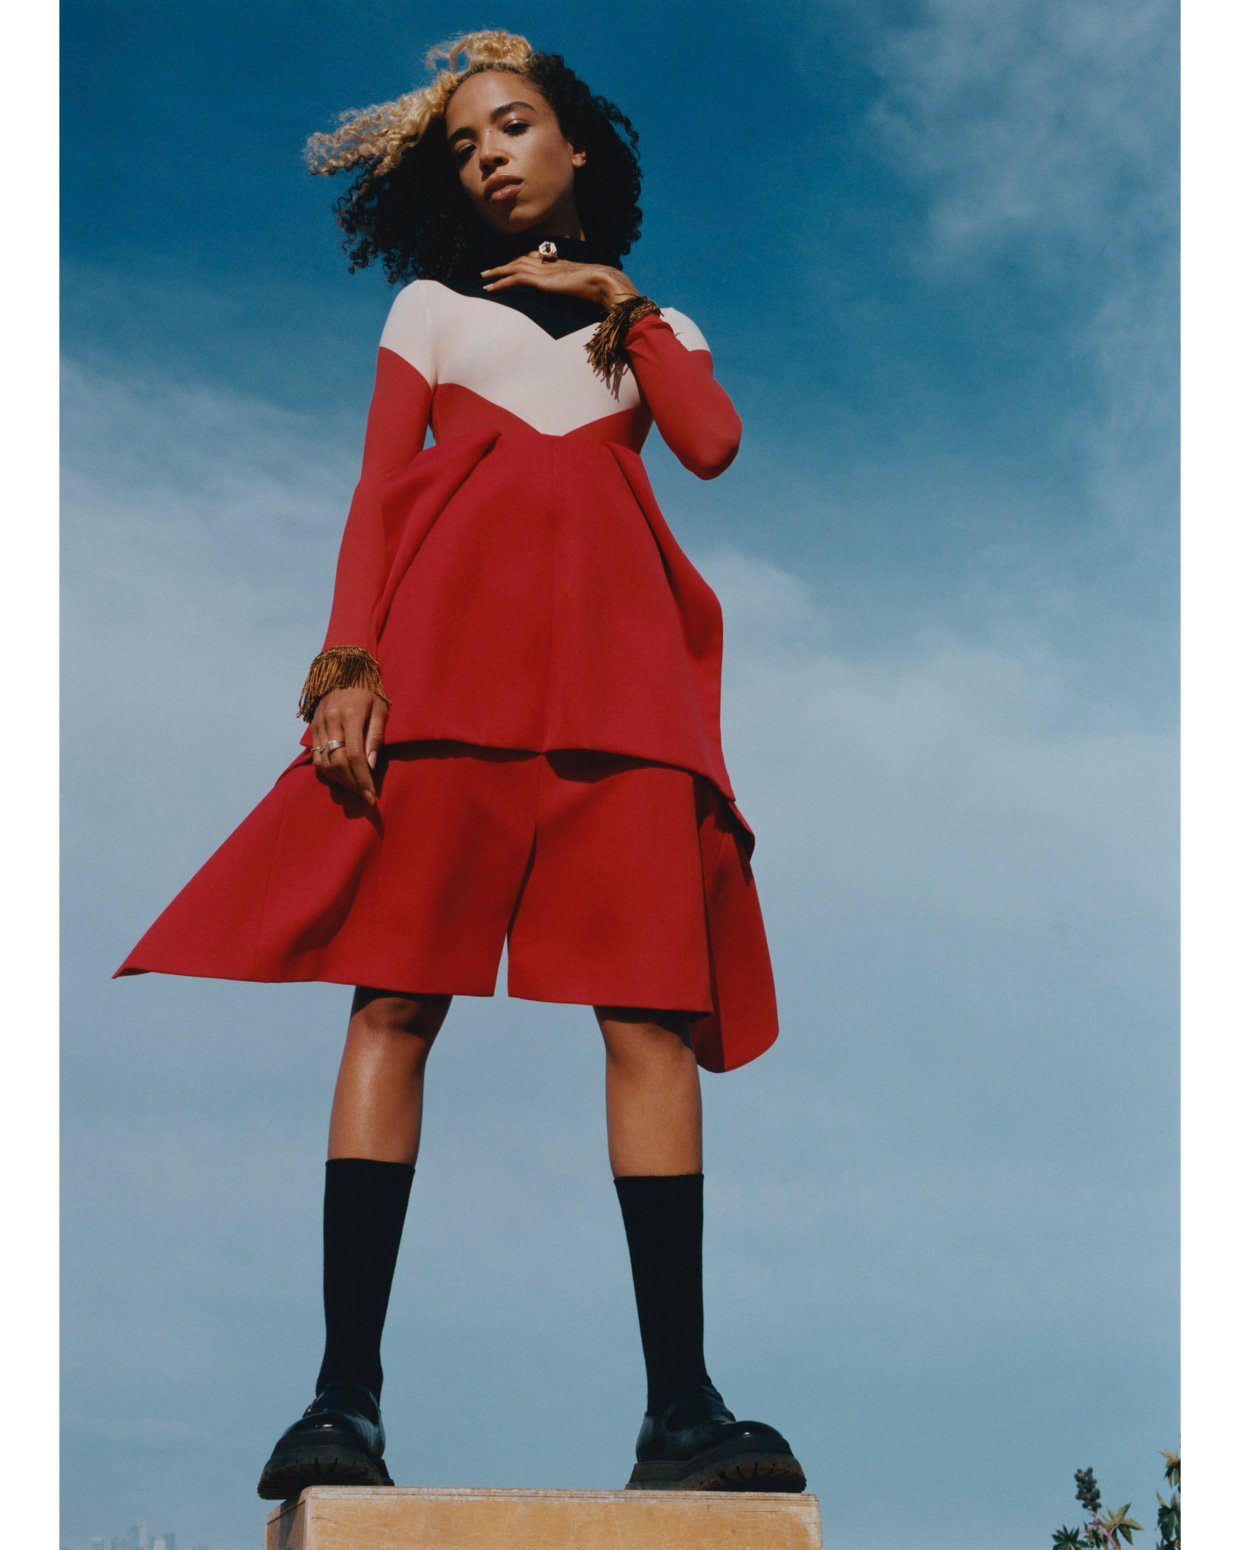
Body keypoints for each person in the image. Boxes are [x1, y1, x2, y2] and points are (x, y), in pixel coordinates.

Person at [112, 28, 806, 1499]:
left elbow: (711, 444)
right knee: (395, 1000)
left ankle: (682, 1415)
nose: (490, 153)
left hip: (624, 705)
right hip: (443, 690)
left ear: (577, 145)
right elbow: (378, 496)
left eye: (515, 125)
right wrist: (346, 666)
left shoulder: (654, 329)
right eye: (466, 143)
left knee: (649, 1022)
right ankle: (341, 1404)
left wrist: (625, 304)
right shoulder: (429, 312)